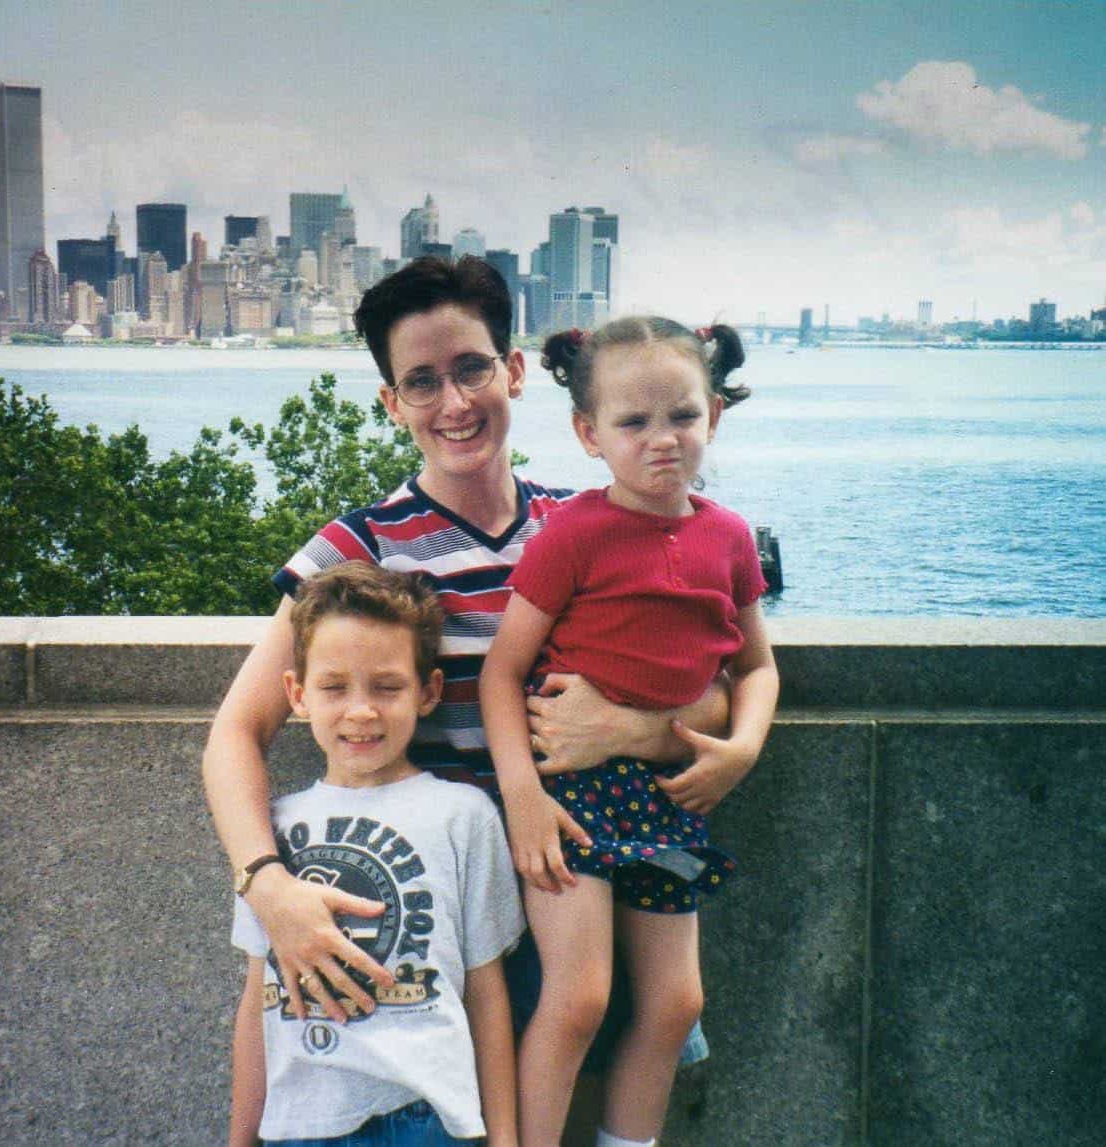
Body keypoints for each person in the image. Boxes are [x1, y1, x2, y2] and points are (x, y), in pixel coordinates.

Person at [205, 257, 729, 1145]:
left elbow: (709, 682)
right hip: (441, 901)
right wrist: (270, 888)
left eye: (471, 368)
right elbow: (235, 732)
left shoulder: (595, 519)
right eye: (421, 382)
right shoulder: (356, 548)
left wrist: (637, 729)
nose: (453, 402)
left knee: (623, 1042)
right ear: (391, 403)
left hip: (578, 867)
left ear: (514, 370)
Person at [479, 317, 779, 1147]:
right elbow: (502, 672)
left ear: (712, 415)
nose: (661, 441)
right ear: (588, 433)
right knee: (577, 998)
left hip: (670, 794)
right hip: (569, 793)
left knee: (677, 1002)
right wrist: (524, 797)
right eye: (632, 422)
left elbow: (755, 667)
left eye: (681, 416)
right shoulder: (571, 534)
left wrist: (743, 747)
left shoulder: (728, 539)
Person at [232, 562, 523, 1145]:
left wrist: (504, 1137)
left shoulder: (464, 816)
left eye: (387, 687)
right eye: (335, 687)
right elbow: (256, 1000)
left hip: (432, 1115)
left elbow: (487, 993)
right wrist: (242, 1137)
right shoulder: (272, 830)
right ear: (298, 694)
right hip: (304, 1121)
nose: (361, 711)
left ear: (428, 693)